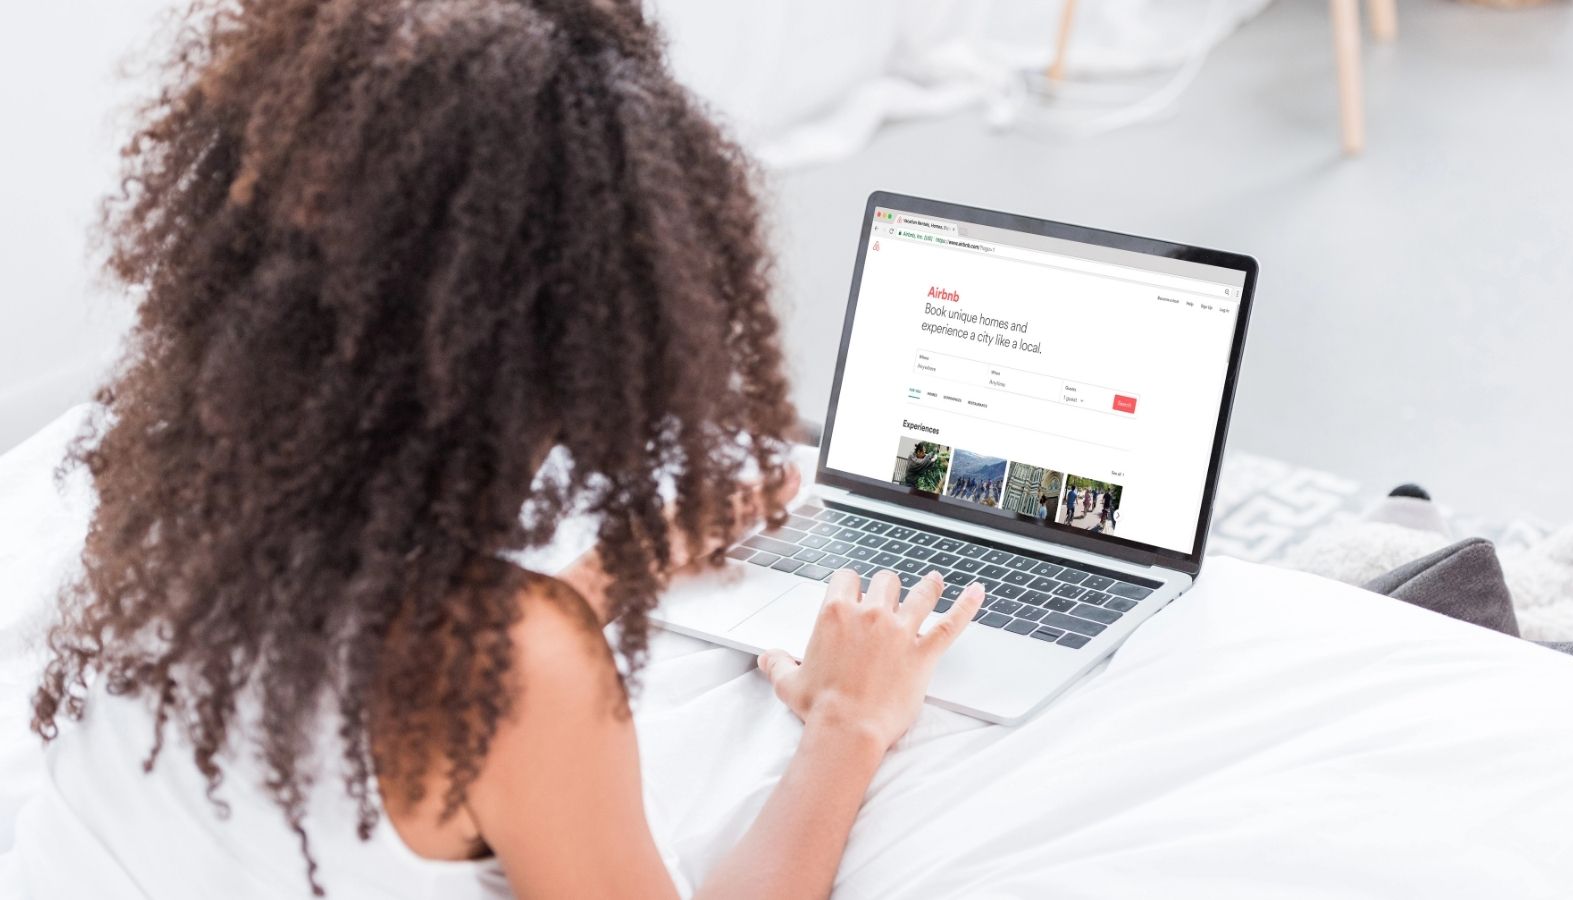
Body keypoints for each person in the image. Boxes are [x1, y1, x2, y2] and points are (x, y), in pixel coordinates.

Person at [9, 3, 985, 898]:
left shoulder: (154, 500)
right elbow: (471, 688)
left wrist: (613, 571)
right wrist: (849, 725)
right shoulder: (516, 670)